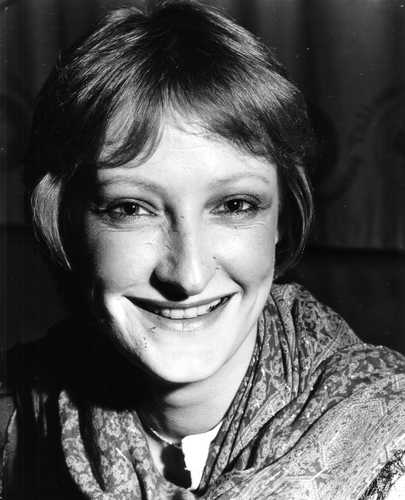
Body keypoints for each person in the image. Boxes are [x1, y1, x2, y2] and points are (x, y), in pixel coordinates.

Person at [1, 1, 405, 499]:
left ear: (283, 219)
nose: (187, 275)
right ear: (64, 222)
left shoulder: (392, 443)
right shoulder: (16, 421)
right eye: (131, 208)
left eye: (235, 205)